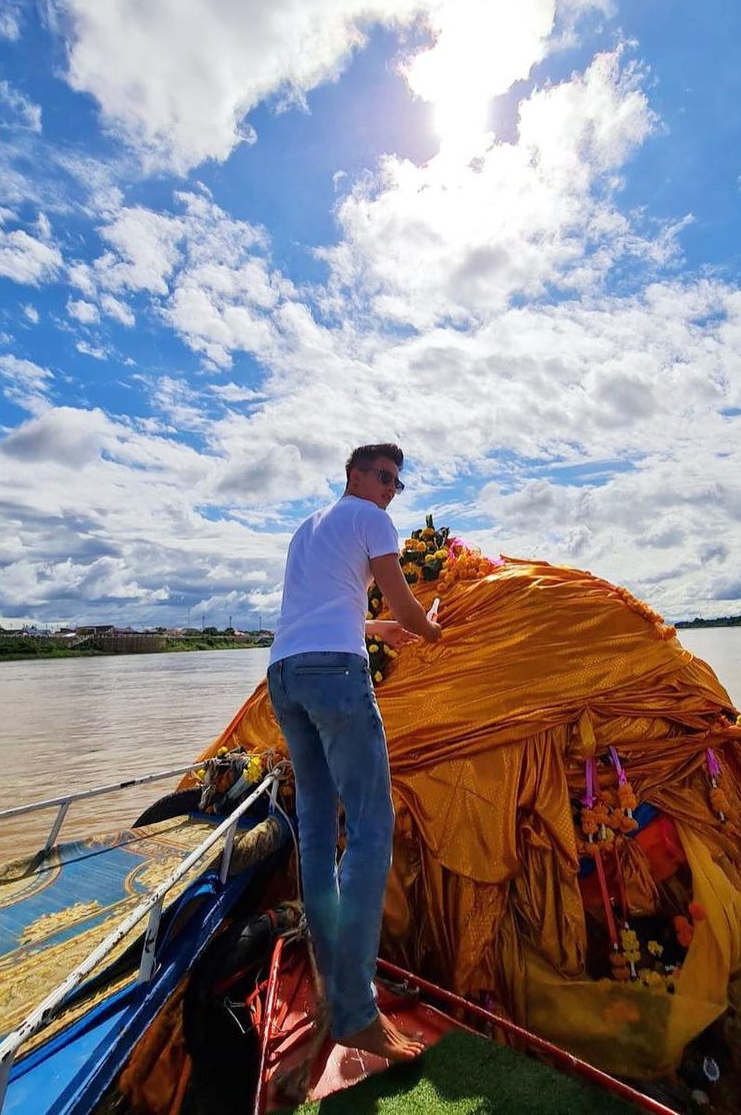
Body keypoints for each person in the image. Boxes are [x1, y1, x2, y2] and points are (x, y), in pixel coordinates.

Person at [267, 442, 442, 1063]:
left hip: (284, 675)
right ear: (356, 476)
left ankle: (329, 981)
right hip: (335, 676)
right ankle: (356, 1011)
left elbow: (316, 612)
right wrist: (431, 631)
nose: (392, 489)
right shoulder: (370, 518)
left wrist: (377, 631)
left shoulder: (305, 530)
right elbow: (403, 601)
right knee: (371, 829)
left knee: (317, 832)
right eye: (384, 477)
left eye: (398, 482)